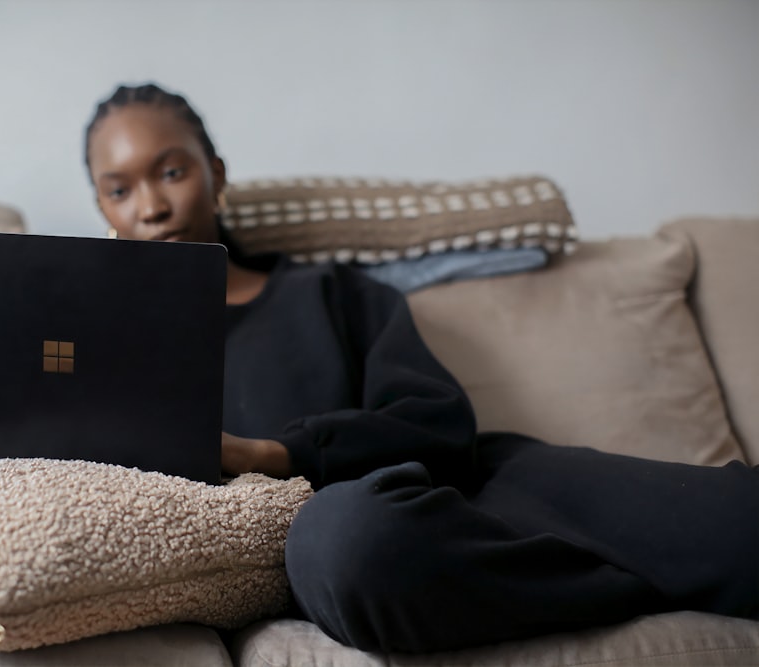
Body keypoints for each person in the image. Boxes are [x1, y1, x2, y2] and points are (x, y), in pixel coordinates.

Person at [83, 82, 759, 653]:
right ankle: (653, 575)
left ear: (217, 175)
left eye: (172, 171)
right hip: (348, 541)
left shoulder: (330, 290)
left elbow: (438, 424)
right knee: (348, 543)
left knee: (739, 519)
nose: (151, 206)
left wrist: (273, 451)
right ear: (102, 210)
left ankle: (649, 568)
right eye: (120, 190)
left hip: (483, 488)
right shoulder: (107, 346)